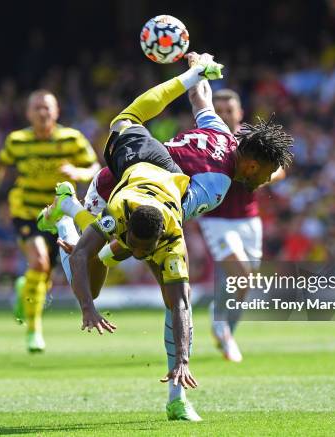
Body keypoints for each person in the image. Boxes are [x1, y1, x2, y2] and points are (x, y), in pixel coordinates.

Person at [39, 53, 293, 421]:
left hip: (126, 168)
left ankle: (176, 397)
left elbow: (199, 98)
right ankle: (67, 215)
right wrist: (114, 253)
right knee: (105, 283)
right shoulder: (215, 186)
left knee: (174, 291)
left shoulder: (219, 132)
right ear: (251, 164)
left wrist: (196, 63)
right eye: (267, 173)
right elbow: (156, 230)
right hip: (121, 196)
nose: (266, 181)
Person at [0, 90, 99, 353]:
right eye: (37, 108)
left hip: (58, 214)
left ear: (57, 112)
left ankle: (23, 289)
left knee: (45, 276)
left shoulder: (72, 139)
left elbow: (95, 167)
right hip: (27, 210)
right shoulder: (18, 141)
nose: (42, 113)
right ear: (28, 113)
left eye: (47, 108)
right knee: (39, 263)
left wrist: (77, 171)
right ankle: (33, 329)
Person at [201, 89, 286, 362]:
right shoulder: (207, 138)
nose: (225, 115)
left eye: (229, 110)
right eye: (220, 110)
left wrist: (259, 177)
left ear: (239, 113)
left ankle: (226, 332)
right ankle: (221, 325)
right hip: (216, 220)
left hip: (249, 219)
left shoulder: (251, 139)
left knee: (244, 284)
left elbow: (280, 166)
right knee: (241, 274)